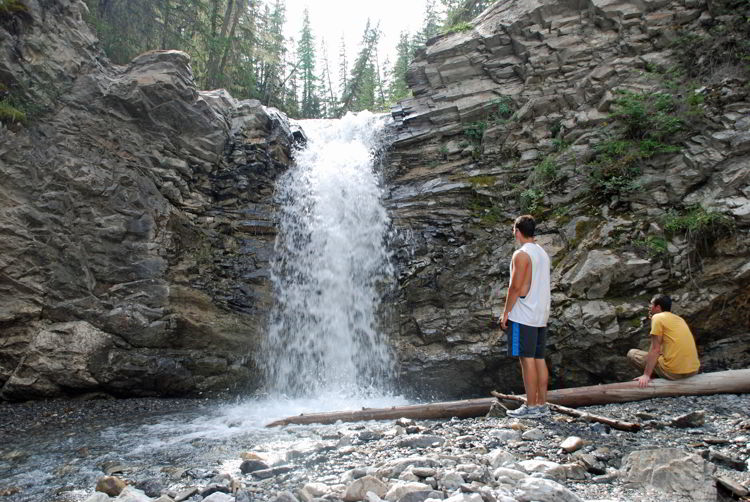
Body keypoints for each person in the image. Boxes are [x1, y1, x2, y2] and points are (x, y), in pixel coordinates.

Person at [500, 214, 551, 418]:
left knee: (526, 359)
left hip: (523, 314)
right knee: (539, 358)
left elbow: (516, 288)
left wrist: (506, 313)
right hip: (541, 313)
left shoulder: (520, 254)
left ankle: (530, 407)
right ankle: (541, 404)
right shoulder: (542, 252)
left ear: (517, 231)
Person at [628, 294, 700, 388]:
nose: (649, 307)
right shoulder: (679, 319)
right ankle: (655, 376)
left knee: (632, 354)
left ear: (658, 307)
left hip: (673, 373)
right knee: (659, 355)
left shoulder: (657, 318)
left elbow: (655, 349)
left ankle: (650, 380)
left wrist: (646, 374)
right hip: (693, 371)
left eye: (651, 304)